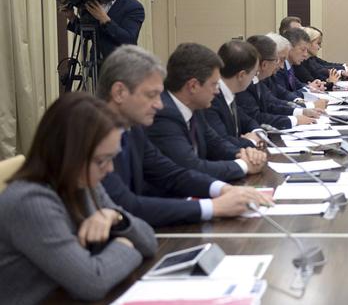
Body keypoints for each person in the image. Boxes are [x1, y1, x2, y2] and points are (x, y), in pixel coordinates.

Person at [0, 93, 157, 304]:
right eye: (101, 160)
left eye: (112, 158)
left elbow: (149, 242)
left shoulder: (82, 183)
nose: (110, 169)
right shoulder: (30, 202)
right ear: (67, 154)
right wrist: (126, 245)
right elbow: (92, 282)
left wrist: (114, 217)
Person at [98, 46, 270, 227]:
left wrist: (224, 189)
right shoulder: (92, 137)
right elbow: (126, 205)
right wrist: (214, 207)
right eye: (151, 95)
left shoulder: (132, 129)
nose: (159, 105)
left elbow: (170, 173)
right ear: (119, 93)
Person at [146, 43, 266, 182]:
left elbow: (215, 144)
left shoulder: (195, 107)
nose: (217, 91)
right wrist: (243, 165)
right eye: (214, 84)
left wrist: (245, 154)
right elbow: (191, 166)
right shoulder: (164, 115)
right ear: (193, 86)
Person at [62, 0, 145, 62]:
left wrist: (104, 19)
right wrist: (72, 17)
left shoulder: (133, 6)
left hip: (121, 64)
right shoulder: (95, 1)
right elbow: (89, 33)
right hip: (96, 64)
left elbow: (129, 40)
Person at [237, 35, 321, 129]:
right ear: (264, 64)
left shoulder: (257, 79)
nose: (281, 66)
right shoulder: (245, 83)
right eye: (278, 60)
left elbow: (271, 103)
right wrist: (294, 120)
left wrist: (301, 111)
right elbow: (256, 117)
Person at [205, 40, 265, 148]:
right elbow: (221, 142)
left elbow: (247, 121)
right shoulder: (211, 98)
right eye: (254, 73)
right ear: (241, 75)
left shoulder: (229, 93)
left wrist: (257, 132)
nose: (254, 77)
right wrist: (251, 141)